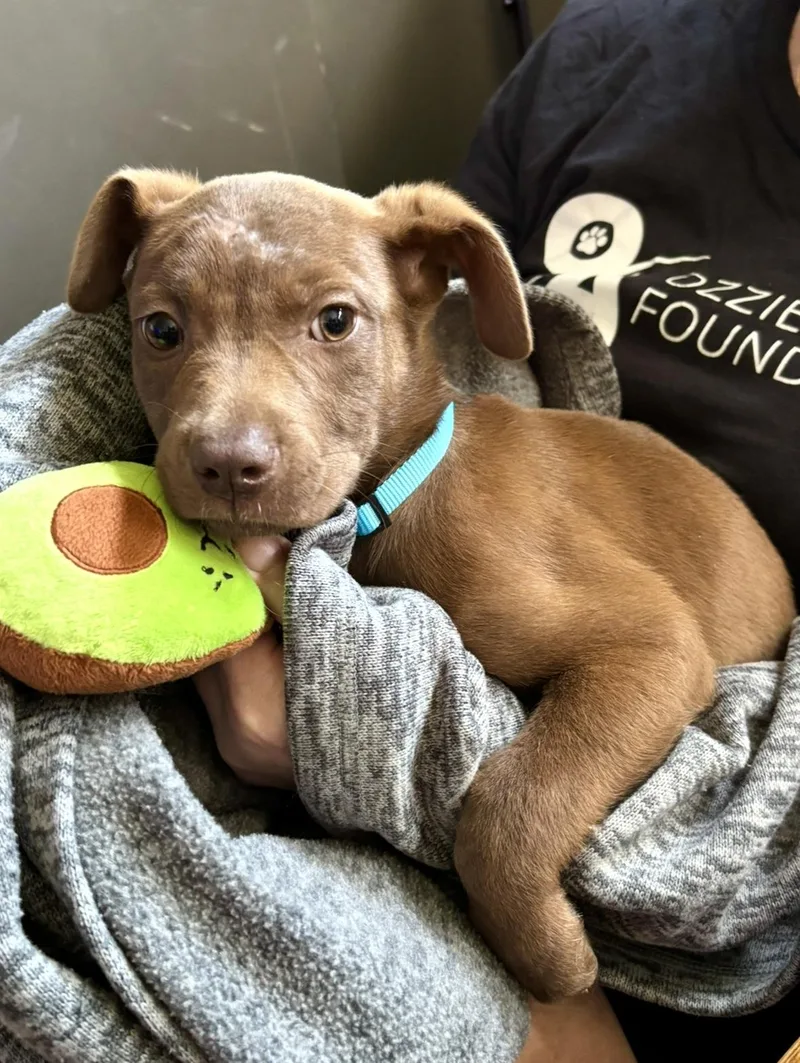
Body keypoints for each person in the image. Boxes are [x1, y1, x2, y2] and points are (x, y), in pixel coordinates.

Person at [198, 0, 800, 1059]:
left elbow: (655, 656)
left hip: (694, 789)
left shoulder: (475, 552)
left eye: (326, 324)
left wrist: (491, 848)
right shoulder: (598, 55)